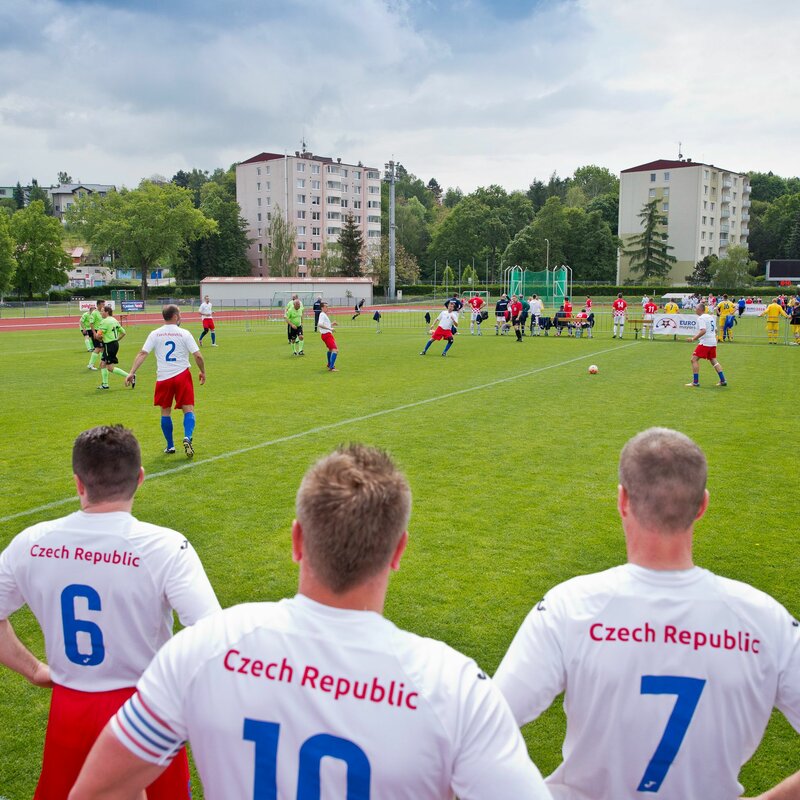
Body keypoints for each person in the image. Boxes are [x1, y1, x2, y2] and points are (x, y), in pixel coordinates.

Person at [70, 445, 551, 800]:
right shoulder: (455, 687)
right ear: (399, 550)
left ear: (298, 540)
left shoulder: (204, 647)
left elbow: (95, 791)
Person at [494, 427, 800, 800]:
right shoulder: (766, 620)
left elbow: (482, 729)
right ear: (702, 505)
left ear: (623, 500)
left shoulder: (570, 606)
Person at [0, 425, 221, 800]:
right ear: (139, 478)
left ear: (78, 483)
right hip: (147, 718)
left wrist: (34, 669)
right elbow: (213, 635)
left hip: (70, 710)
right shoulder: (166, 546)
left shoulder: (32, 542)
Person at [124, 304, 206, 457]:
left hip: (163, 377)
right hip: (182, 375)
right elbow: (198, 356)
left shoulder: (155, 334)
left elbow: (143, 353)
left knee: (165, 411)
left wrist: (131, 372)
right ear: (175, 316)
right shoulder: (185, 333)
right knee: (188, 409)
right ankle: (187, 437)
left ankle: (170, 446)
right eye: (179, 314)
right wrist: (202, 371)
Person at [686, 302, 727, 387]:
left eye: (696, 308)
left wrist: (693, 338)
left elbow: (703, 330)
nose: (695, 310)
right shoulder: (710, 317)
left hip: (706, 342)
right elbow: (715, 330)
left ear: (700, 309)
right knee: (713, 360)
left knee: (694, 359)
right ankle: (723, 380)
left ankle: (695, 382)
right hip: (712, 341)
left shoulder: (701, 318)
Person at [95, 304, 131, 390]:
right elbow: (123, 332)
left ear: (107, 312)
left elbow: (98, 335)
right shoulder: (114, 320)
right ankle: (105, 384)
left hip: (109, 345)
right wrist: (116, 340)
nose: (101, 312)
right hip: (113, 344)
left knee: (110, 368)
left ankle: (130, 376)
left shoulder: (104, 321)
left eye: (102, 311)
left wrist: (98, 337)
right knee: (102, 364)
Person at [317, 300, 339, 371]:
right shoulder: (322, 314)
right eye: (326, 307)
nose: (327, 308)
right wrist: (330, 328)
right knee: (335, 350)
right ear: (322, 308)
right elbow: (320, 324)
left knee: (330, 349)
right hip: (327, 335)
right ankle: (331, 367)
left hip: (325, 335)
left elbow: (324, 324)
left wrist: (332, 324)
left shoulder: (323, 314)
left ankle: (329, 364)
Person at [86, 299, 106, 371]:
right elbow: (91, 323)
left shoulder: (102, 312)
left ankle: (102, 364)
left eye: (104, 304)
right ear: (98, 305)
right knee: (98, 348)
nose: (104, 306)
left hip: (101, 332)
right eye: (102, 304)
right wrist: (94, 333)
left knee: (102, 349)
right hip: (97, 332)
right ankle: (90, 364)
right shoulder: (94, 313)